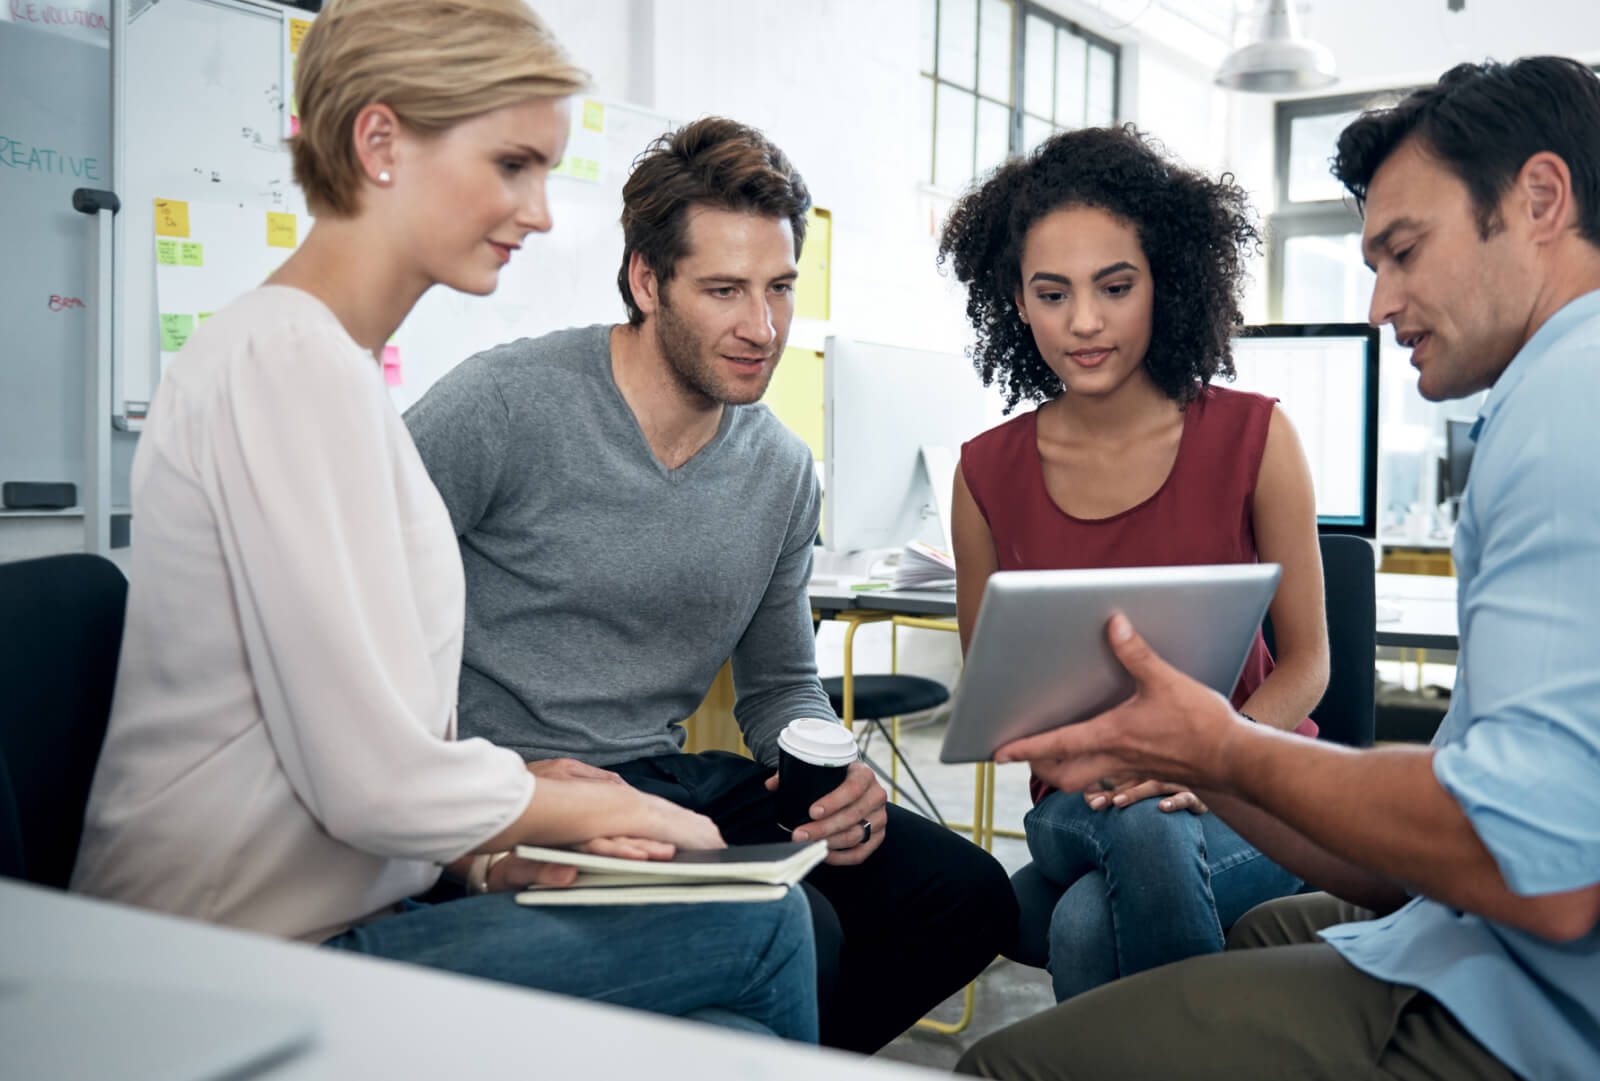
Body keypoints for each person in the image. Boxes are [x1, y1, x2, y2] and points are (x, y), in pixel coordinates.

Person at [68, 0, 818, 1042]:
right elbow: (373, 779)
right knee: (767, 925)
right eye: (513, 164)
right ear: (379, 142)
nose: (543, 212)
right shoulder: (279, 367)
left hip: (353, 901)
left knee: (736, 1026)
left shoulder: (330, 374)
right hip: (229, 959)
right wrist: (622, 808)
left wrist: (495, 834)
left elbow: (354, 745)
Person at [958, 56, 1600, 1081]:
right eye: (1051, 291)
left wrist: (1214, 750)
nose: (1380, 302)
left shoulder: (1565, 412)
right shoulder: (1543, 402)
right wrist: (1199, 754)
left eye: (1402, 250)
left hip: (1530, 994)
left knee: (1047, 994)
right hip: (1472, 931)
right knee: (1157, 882)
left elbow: (1539, 865)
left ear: (1538, 199)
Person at [403, 115, 1018, 1054]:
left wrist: (831, 767)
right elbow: (355, 618)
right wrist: (473, 785)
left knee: (966, 897)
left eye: (779, 289)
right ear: (647, 281)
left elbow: (778, 685)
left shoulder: (780, 470)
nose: (761, 329)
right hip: (509, 784)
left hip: (666, 775)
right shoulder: (501, 406)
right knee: (798, 928)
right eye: (724, 290)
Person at [939, 124, 1328, 1002]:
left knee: (1083, 924)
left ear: (1165, 280)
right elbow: (993, 700)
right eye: (1052, 293)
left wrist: (1213, 754)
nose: (1083, 321)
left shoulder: (1256, 438)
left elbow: (1310, 663)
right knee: (1142, 822)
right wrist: (1108, 757)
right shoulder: (985, 474)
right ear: (1017, 301)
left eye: (1115, 286)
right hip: (1075, 803)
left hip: (1251, 785)